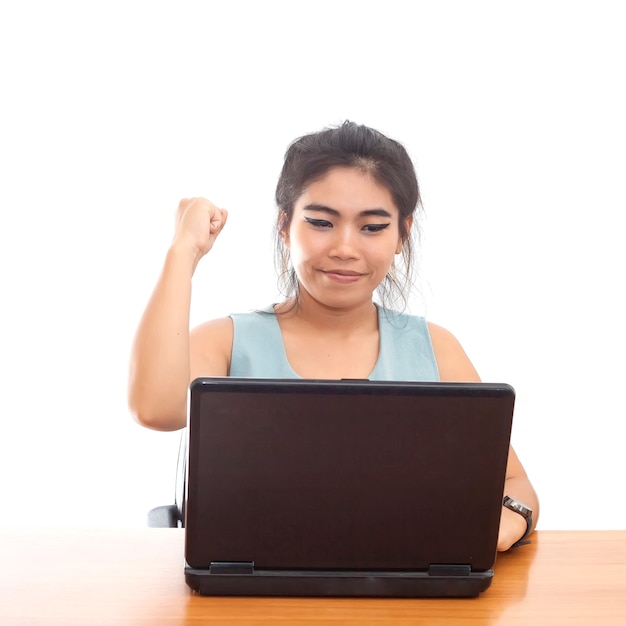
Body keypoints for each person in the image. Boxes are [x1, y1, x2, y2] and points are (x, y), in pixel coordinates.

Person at [128, 120, 539, 551]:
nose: (345, 247)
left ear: (402, 234)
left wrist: (510, 519)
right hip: (250, 587)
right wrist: (183, 252)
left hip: (402, 585)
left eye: (373, 227)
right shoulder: (227, 342)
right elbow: (155, 408)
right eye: (322, 223)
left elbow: (514, 483)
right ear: (285, 226)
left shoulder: (435, 349)